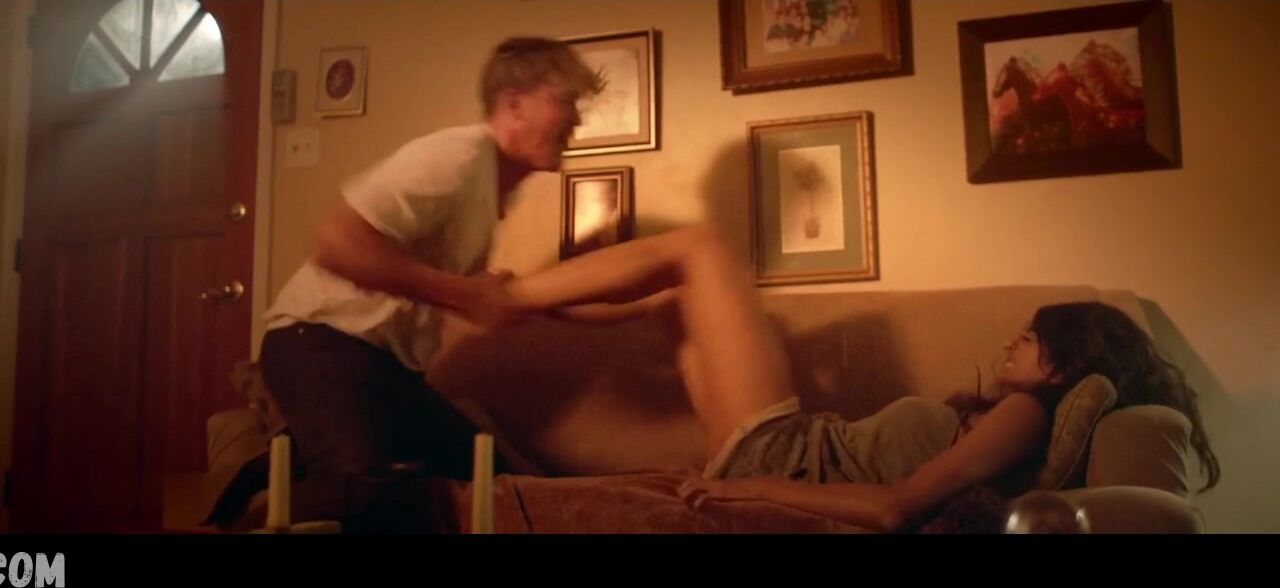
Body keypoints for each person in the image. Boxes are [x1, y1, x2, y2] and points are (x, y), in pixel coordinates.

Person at [501, 224, 1221, 532]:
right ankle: (518, 307)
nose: (1010, 341)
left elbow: (893, 509)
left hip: (781, 457)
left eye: (1028, 337)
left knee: (702, 248)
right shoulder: (1011, 418)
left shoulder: (1026, 414)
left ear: (1062, 360)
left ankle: (502, 301)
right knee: (674, 302)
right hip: (779, 452)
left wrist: (749, 488)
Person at [257, 36, 603, 527]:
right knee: (368, 495)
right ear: (514, 104)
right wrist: (467, 294)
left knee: (493, 484)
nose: (576, 119)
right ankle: (263, 505)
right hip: (316, 342)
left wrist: (494, 288)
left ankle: (293, 466)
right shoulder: (458, 155)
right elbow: (336, 241)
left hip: (387, 369)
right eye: (564, 100)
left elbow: (443, 276)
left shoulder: (493, 187)